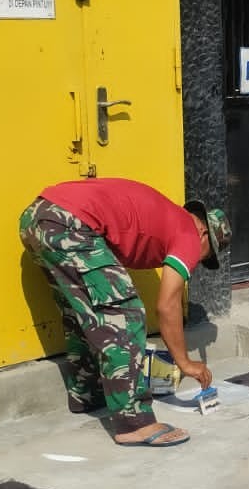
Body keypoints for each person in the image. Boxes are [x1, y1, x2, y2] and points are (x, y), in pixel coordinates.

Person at [19, 178, 231, 447]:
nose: (198, 262)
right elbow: (167, 305)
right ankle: (135, 423)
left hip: (37, 217)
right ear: (205, 234)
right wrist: (185, 362)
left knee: (84, 313)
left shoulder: (169, 217)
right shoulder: (189, 235)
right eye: (206, 256)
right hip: (70, 222)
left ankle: (87, 392)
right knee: (125, 315)